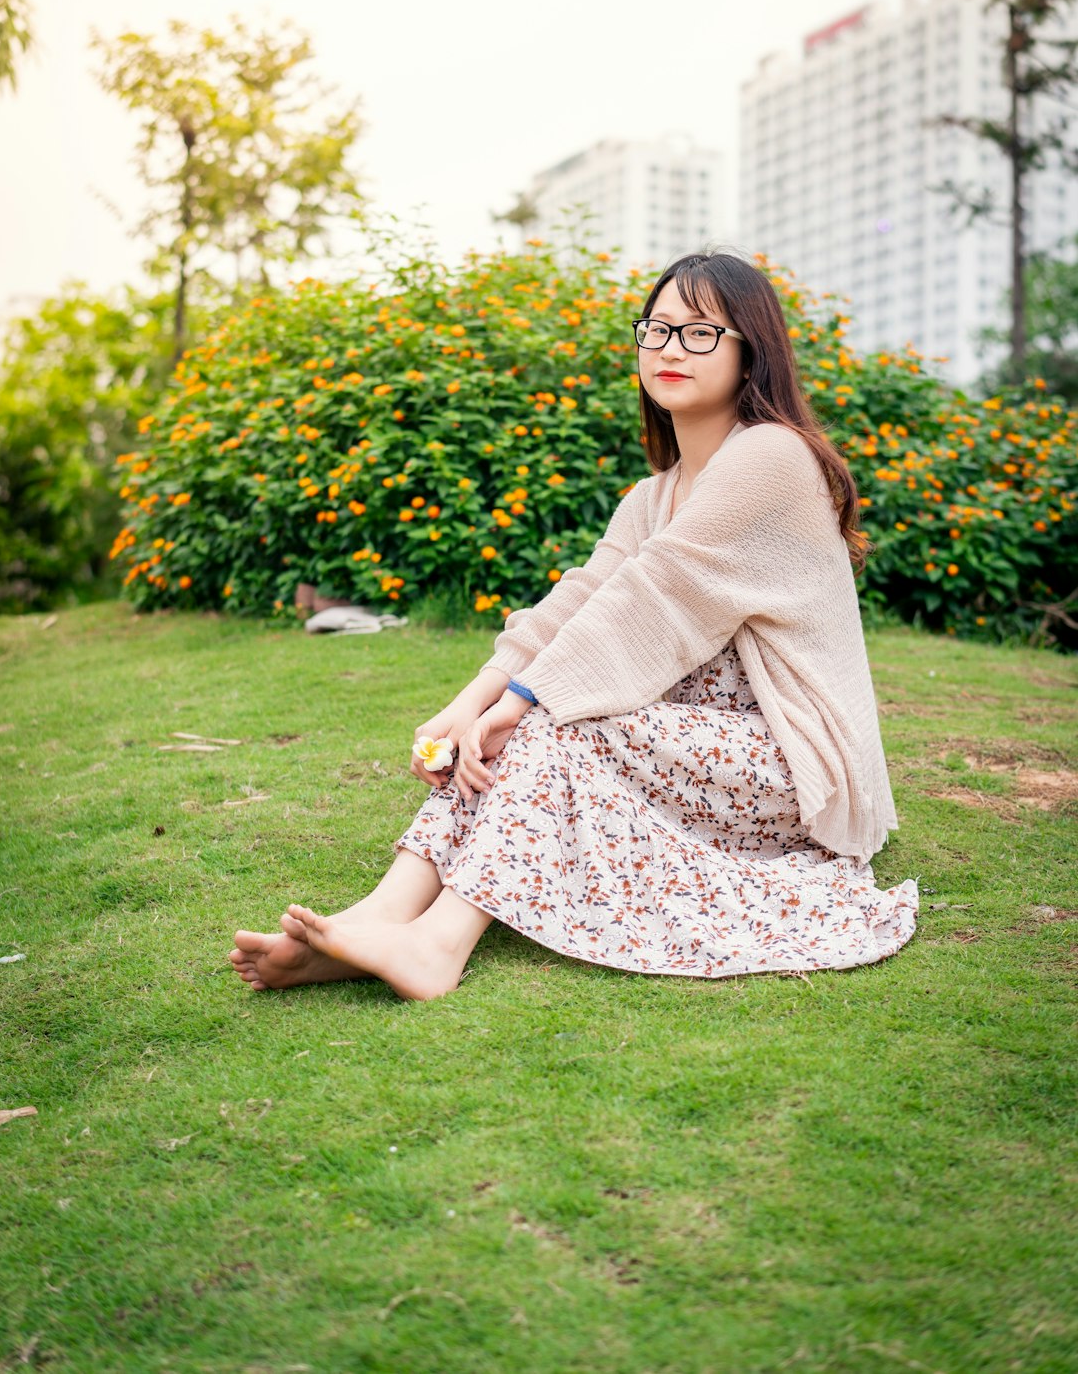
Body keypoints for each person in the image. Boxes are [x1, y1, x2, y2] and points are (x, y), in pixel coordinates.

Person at [230, 250, 919, 1002]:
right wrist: (471, 700)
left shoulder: (772, 457)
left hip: (792, 763)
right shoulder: (653, 494)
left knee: (558, 722)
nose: (668, 349)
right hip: (701, 742)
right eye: (656, 329)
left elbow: (650, 600)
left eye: (698, 333)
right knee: (538, 716)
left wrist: (519, 702)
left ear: (751, 352)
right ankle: (373, 919)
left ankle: (434, 944)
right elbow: (581, 599)